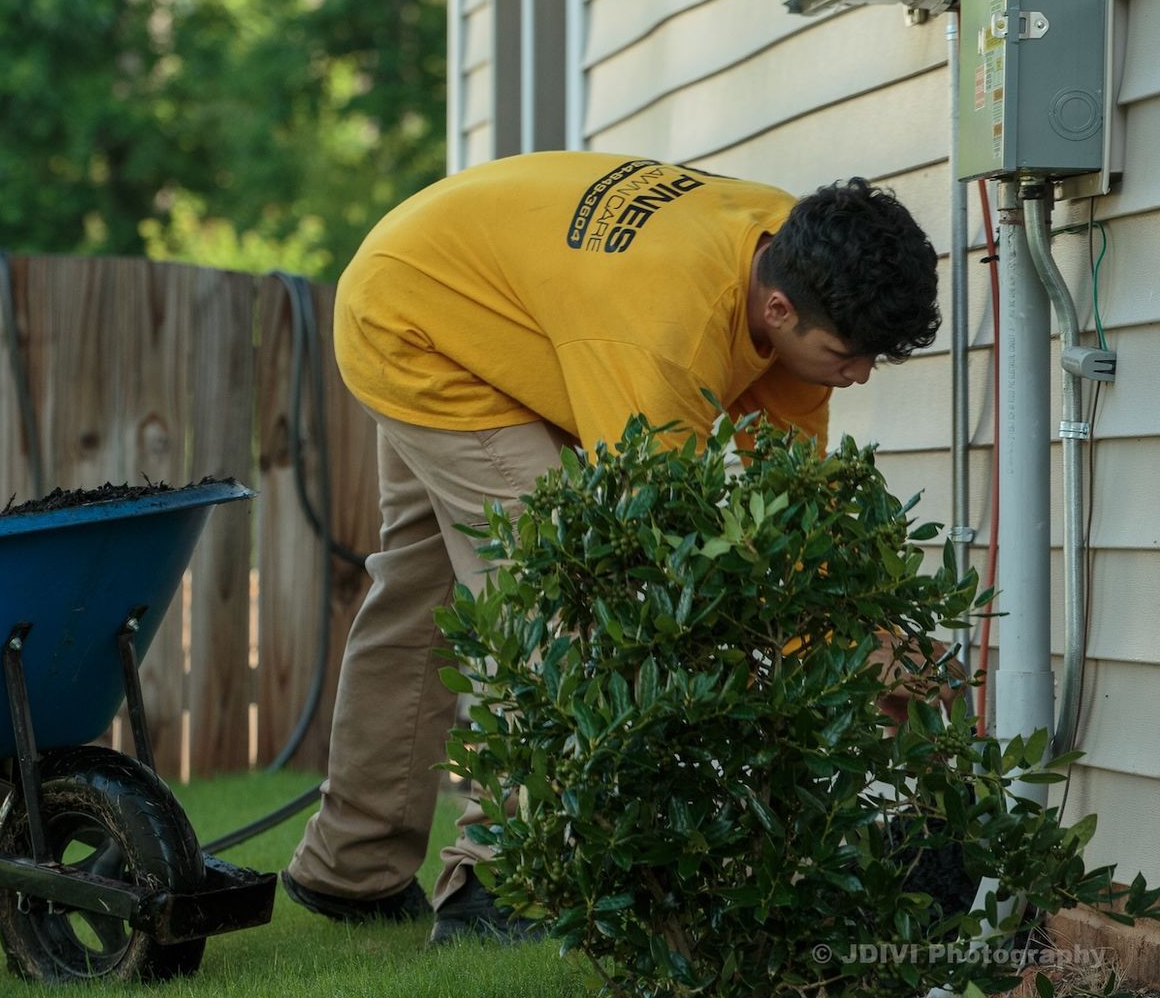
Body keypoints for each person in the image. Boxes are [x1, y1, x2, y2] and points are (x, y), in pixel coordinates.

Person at [282, 151, 942, 945]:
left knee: (423, 593)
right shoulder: (665, 339)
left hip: (467, 289)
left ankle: (349, 869)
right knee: (550, 597)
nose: (862, 375)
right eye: (850, 356)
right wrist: (825, 656)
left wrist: (845, 641)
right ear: (776, 310)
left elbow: (788, 509)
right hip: (417, 326)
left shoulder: (791, 252)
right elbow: (660, 560)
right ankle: (497, 882)